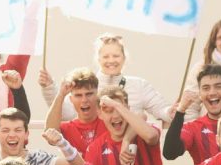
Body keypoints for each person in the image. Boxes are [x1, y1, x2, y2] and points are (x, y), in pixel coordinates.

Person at [39, 33, 171, 124]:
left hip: (130, 152)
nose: (111, 60)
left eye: (116, 56)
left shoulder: (139, 85)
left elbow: (161, 110)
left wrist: (170, 112)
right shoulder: (87, 85)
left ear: (124, 58)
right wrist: (49, 87)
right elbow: (65, 114)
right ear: (98, 59)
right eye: (106, 56)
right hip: (95, 151)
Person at [44, 67, 107, 154]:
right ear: (71, 99)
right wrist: (61, 94)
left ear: (97, 95)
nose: (84, 100)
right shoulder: (67, 128)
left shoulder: (109, 123)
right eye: (78, 95)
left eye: (89, 94)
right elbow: (49, 132)